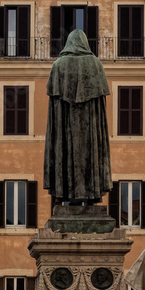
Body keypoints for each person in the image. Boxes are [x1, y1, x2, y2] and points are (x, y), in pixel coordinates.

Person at [43, 28, 111, 204]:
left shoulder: (58, 65)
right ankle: (92, 194)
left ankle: (66, 193)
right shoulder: (96, 64)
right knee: (91, 152)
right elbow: (100, 105)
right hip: (90, 128)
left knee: (64, 151)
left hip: (65, 126)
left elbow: (55, 105)